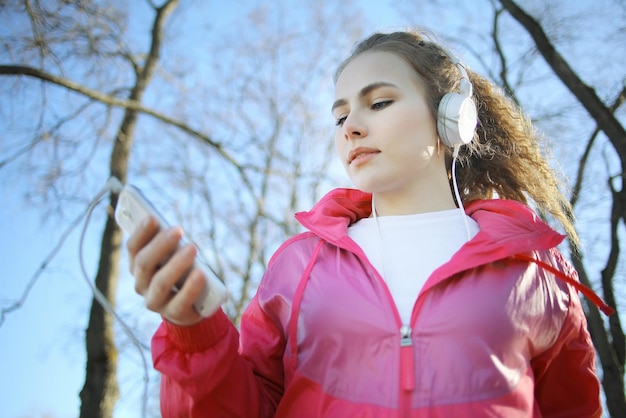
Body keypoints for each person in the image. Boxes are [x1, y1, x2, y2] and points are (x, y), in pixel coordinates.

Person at [126, 29, 612, 417]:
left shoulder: (538, 269)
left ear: (452, 119)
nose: (351, 126)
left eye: (378, 102)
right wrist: (194, 333)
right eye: (340, 117)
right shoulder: (299, 266)